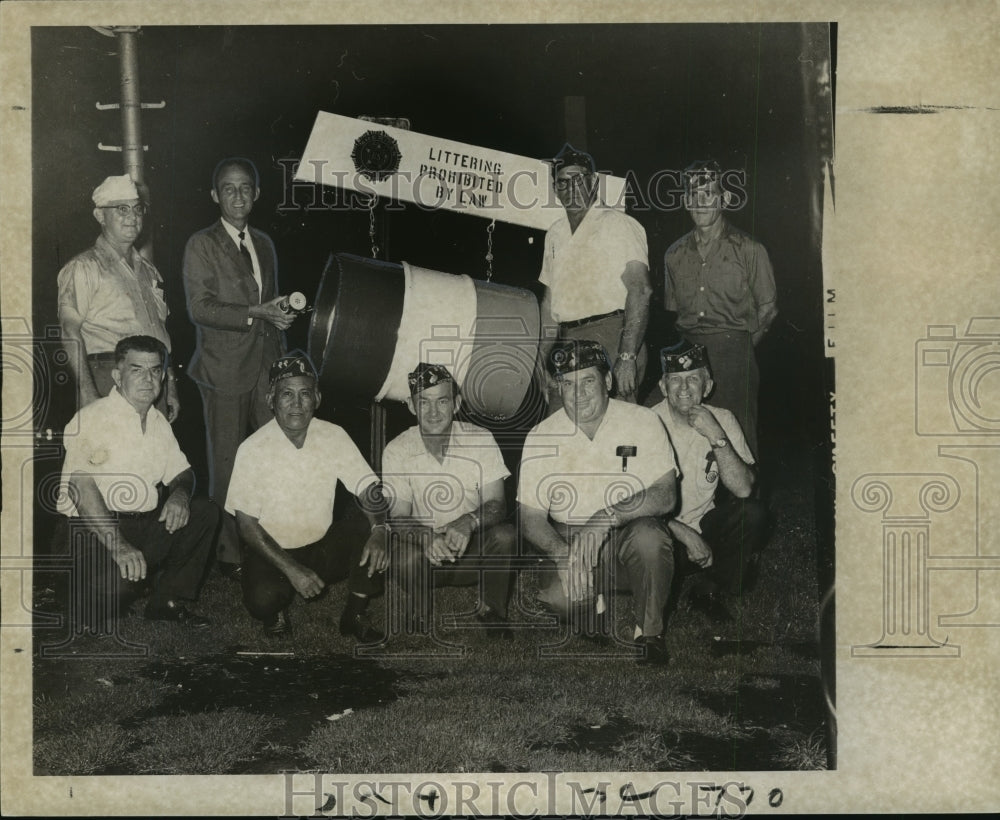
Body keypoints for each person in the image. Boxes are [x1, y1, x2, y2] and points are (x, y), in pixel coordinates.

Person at [517, 339, 678, 664]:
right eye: (568, 384)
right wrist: (562, 554)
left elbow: (666, 495)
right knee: (557, 600)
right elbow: (529, 518)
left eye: (588, 381)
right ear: (558, 388)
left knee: (651, 537)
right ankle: (591, 608)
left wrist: (606, 517)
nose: (578, 394)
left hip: (627, 533)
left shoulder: (643, 420)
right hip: (570, 538)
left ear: (607, 381)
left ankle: (649, 633)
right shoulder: (541, 435)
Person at [57, 335, 216, 631]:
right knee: (106, 601)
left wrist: (180, 494)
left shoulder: (157, 422)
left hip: (141, 524)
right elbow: (80, 488)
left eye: (155, 370)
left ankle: (165, 601)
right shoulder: (93, 418)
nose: (148, 379)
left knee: (204, 512)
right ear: (117, 376)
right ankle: (82, 593)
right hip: (91, 531)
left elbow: (183, 472)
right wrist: (118, 546)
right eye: (136, 370)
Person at [225, 353, 388, 641]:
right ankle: (276, 611)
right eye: (286, 394)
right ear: (270, 400)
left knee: (369, 523)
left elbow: (368, 488)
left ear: (318, 399)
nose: (297, 404)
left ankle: (355, 613)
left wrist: (380, 529)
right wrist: (292, 570)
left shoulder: (333, 435)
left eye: (305, 394)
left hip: (322, 546)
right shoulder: (253, 448)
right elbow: (246, 525)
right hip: (274, 550)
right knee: (262, 599)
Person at [183, 157, 290, 576]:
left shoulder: (263, 242)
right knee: (227, 463)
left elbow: (269, 304)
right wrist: (256, 311)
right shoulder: (201, 244)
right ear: (215, 196)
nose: (238, 195)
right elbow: (200, 307)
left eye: (246, 187)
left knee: (273, 458)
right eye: (229, 188)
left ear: (257, 193)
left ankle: (275, 544)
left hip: (267, 367)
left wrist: (279, 319)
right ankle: (230, 555)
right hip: (223, 371)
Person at [381, 363, 516, 636]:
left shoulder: (481, 439)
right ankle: (419, 607)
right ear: (411, 406)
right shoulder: (397, 449)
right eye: (424, 403)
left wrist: (469, 521)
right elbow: (398, 517)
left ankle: (492, 610)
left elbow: (497, 504)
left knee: (506, 536)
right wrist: (426, 536)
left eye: (442, 401)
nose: (433, 412)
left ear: (456, 403)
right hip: (425, 553)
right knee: (403, 558)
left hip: (470, 548)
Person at [662, 159, 778, 456]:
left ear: (724, 199)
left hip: (734, 352)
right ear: (686, 200)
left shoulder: (750, 249)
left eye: (709, 194)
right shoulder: (673, 254)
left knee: (739, 438)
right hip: (687, 353)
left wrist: (741, 346)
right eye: (693, 195)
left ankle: (747, 503)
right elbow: (675, 310)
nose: (700, 203)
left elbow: (768, 309)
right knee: (682, 435)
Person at [651, 339, 768, 621]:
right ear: (663, 386)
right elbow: (632, 500)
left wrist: (715, 435)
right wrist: (685, 534)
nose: (683, 388)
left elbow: (743, 489)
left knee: (753, 514)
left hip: (704, 526)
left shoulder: (722, 419)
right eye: (675, 380)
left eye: (693, 379)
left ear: (708, 386)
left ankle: (709, 588)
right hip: (660, 530)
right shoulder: (646, 423)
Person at [57, 174, 179, 420]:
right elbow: (69, 332)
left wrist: (170, 386)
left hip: (153, 379)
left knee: (152, 457)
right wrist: (87, 391)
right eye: (121, 209)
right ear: (100, 216)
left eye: (137, 209)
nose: (132, 217)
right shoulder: (84, 267)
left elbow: (159, 332)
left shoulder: (149, 270)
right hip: (108, 376)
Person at [538, 144, 652, 406]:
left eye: (578, 179)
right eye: (562, 182)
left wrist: (627, 356)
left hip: (612, 336)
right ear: (555, 189)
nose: (570, 188)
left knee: (616, 430)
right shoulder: (554, 234)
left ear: (592, 183)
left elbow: (640, 290)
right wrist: (540, 360)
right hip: (568, 342)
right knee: (562, 426)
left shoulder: (618, 224)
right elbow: (549, 304)